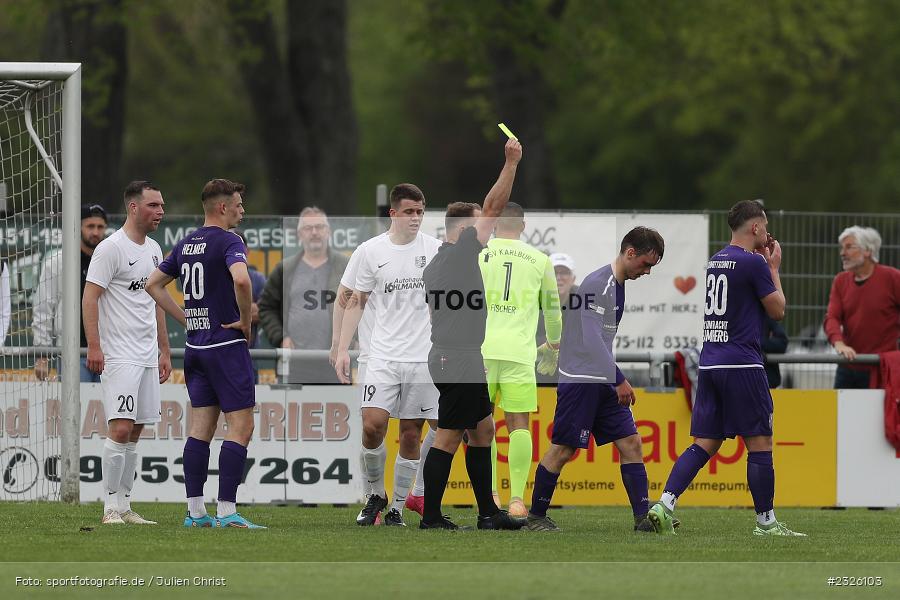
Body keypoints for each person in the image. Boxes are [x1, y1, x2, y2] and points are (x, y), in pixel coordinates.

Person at [648, 200, 806, 537]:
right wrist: (774, 268)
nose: (766, 232)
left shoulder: (715, 260)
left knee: (705, 442)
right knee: (760, 442)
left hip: (710, 363)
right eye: (764, 226)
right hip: (742, 363)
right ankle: (766, 523)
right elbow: (778, 311)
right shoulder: (754, 263)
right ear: (755, 227)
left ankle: (664, 504)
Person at [526, 227, 665, 532]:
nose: (647, 272)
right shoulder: (597, 284)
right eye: (646, 264)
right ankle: (535, 516)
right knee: (563, 450)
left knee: (631, 443)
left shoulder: (617, 284)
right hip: (581, 380)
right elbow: (591, 340)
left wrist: (611, 378)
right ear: (630, 253)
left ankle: (642, 519)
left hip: (601, 379)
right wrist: (618, 379)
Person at [419, 137, 526, 530]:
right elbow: (494, 207)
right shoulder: (461, 253)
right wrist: (511, 163)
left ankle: (488, 514)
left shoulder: (438, 262)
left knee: (483, 430)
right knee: (448, 437)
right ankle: (431, 517)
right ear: (464, 229)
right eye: (481, 223)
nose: (489, 228)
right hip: (456, 358)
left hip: (458, 355)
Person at [146, 178, 265, 529]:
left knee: (201, 428)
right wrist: (245, 320)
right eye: (239, 205)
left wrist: (186, 317)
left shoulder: (187, 242)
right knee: (241, 426)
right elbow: (242, 280)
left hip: (195, 347)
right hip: (226, 346)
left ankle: (196, 513)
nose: (242, 211)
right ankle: (227, 512)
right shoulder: (230, 240)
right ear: (223, 207)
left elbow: (153, 283)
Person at [333, 184, 442, 527]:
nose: (415, 218)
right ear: (393, 213)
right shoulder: (370, 251)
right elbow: (353, 300)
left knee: (411, 433)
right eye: (409, 212)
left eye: (420, 211)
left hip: (422, 358)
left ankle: (396, 507)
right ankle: (375, 495)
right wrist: (341, 348)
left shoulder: (435, 250)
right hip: (380, 356)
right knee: (372, 426)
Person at [82, 182, 169, 525]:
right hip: (119, 354)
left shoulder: (155, 250)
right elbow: (90, 298)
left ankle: (125, 505)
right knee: (119, 428)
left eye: (161, 205)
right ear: (134, 208)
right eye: (153, 205)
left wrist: (164, 349)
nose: (160, 211)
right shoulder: (111, 248)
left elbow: (157, 301)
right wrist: (95, 345)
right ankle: (109, 508)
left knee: (135, 431)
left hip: (147, 354)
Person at [479, 202, 562, 517]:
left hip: (481, 352)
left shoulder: (479, 255)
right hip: (519, 352)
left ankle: (490, 496)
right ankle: (516, 500)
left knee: (482, 425)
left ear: (495, 224)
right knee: (518, 424)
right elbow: (552, 310)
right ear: (523, 226)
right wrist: (553, 344)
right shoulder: (540, 260)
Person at [258, 207, 348, 384]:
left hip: (336, 361)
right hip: (294, 362)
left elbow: (362, 305)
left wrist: (352, 341)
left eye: (319, 227)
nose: (314, 232)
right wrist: (281, 337)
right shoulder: (285, 269)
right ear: (299, 235)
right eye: (308, 228)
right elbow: (266, 307)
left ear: (328, 232)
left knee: (338, 403)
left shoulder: (346, 266)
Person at [33, 204, 108, 381]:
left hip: (108, 352)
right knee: (74, 399)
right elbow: (43, 309)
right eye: (90, 226)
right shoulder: (57, 263)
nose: (95, 232)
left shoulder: (111, 261)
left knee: (111, 401)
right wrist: (42, 354)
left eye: (100, 227)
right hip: (71, 352)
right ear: (78, 227)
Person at [824, 226, 900, 389]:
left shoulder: (892, 278)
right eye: (842, 248)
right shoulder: (840, 281)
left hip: (880, 367)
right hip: (848, 365)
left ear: (867, 251)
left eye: (849, 247)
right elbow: (832, 317)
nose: (842, 253)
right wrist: (839, 343)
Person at [535, 253, 580, 385]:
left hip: (572, 372)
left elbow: (585, 339)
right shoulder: (533, 300)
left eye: (564, 273)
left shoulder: (582, 300)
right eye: (554, 273)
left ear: (573, 279)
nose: (559, 278)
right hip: (538, 369)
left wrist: (552, 344)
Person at [234, 230, 267, 383]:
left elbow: (265, 312)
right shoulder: (213, 277)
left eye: (237, 247)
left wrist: (234, 311)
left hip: (249, 357)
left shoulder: (257, 279)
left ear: (247, 251)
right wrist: (248, 309)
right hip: (218, 354)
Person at [761, 317, 788, 388]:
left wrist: (757, 343)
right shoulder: (738, 317)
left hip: (769, 381)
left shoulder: (767, 317)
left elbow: (782, 343)